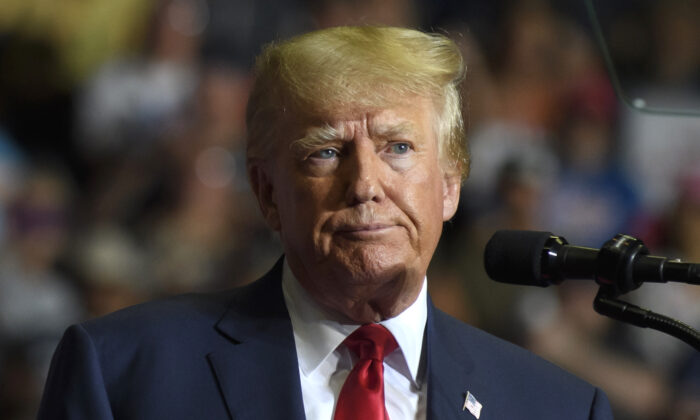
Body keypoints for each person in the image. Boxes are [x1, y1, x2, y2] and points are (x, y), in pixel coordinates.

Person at [38, 26, 613, 419]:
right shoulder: (123, 373)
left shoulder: (555, 407)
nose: (364, 184)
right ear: (266, 192)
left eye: (399, 147)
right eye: (326, 152)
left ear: (450, 184)